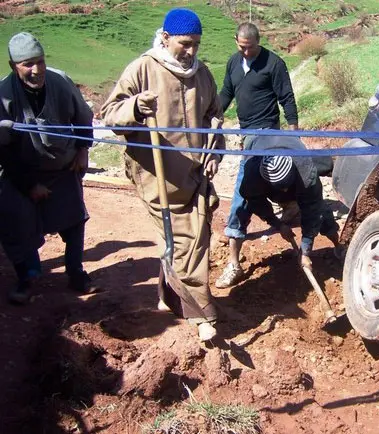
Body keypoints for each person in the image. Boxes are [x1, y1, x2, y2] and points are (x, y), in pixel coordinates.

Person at [100, 8, 224, 341]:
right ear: (166, 38)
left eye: (197, 44)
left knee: (187, 235)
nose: (192, 51)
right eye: (185, 43)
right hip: (154, 173)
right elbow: (109, 114)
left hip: (195, 174)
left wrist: (215, 151)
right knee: (187, 239)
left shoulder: (203, 75)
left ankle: (167, 298)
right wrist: (135, 108)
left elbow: (215, 116)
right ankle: (200, 314)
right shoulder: (143, 68)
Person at [0, 32, 96, 304]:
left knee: (75, 217)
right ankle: (27, 277)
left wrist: (82, 150)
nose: (37, 69)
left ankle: (76, 273)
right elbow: (3, 150)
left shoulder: (60, 81)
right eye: (28, 64)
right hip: (24, 173)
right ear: (13, 66)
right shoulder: (3, 96)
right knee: (14, 219)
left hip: (63, 167)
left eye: (40, 61)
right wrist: (29, 186)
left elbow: (82, 117)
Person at [216, 22, 300, 289]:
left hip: (267, 133)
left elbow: (286, 96)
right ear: (236, 42)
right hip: (246, 134)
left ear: (258, 42)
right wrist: (214, 115)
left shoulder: (273, 63)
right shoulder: (233, 62)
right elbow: (227, 92)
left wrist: (293, 129)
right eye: (241, 47)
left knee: (244, 191)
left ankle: (234, 263)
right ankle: (288, 204)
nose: (245, 52)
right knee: (260, 182)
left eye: (249, 47)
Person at [237, 135, 343, 274]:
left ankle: (338, 245)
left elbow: (312, 210)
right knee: (244, 207)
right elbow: (257, 203)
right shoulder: (252, 177)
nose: (285, 191)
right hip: (261, 152)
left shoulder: (306, 169)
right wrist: (278, 224)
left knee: (322, 213)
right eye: (281, 188)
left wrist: (305, 250)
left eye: (287, 186)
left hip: (296, 165)